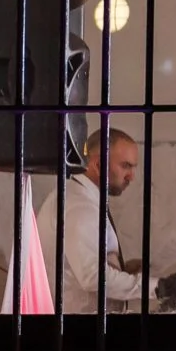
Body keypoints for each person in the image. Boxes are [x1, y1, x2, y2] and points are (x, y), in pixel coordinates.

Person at [58, 127, 143, 313]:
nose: (131, 176)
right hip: (74, 329)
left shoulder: (84, 198)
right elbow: (92, 276)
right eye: (125, 166)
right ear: (98, 165)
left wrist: (121, 269)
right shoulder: (80, 206)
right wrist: (156, 287)